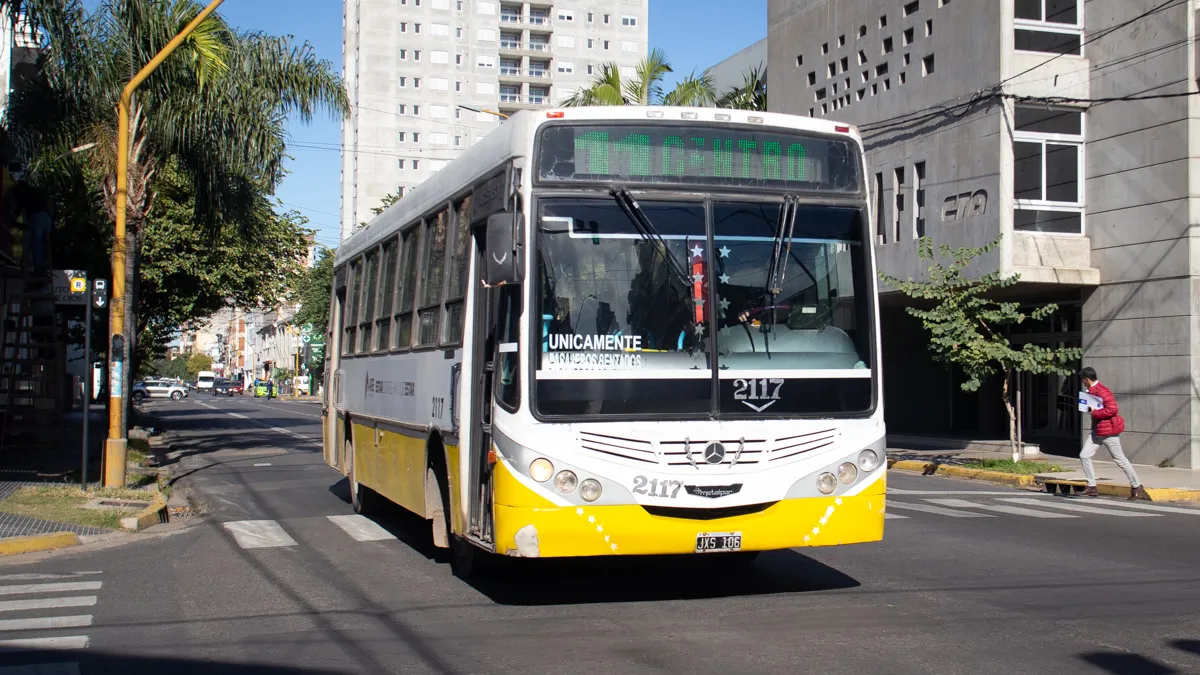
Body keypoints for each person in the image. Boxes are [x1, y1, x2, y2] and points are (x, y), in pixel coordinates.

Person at [1078, 367, 1145, 500]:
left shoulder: (1103, 391)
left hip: (1108, 431)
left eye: (1083, 380)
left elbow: (1112, 410)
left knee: (1120, 459)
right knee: (1084, 455)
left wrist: (1093, 411)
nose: (1082, 382)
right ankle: (1091, 487)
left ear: (1087, 380)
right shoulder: (1092, 390)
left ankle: (1136, 485)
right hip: (1097, 431)